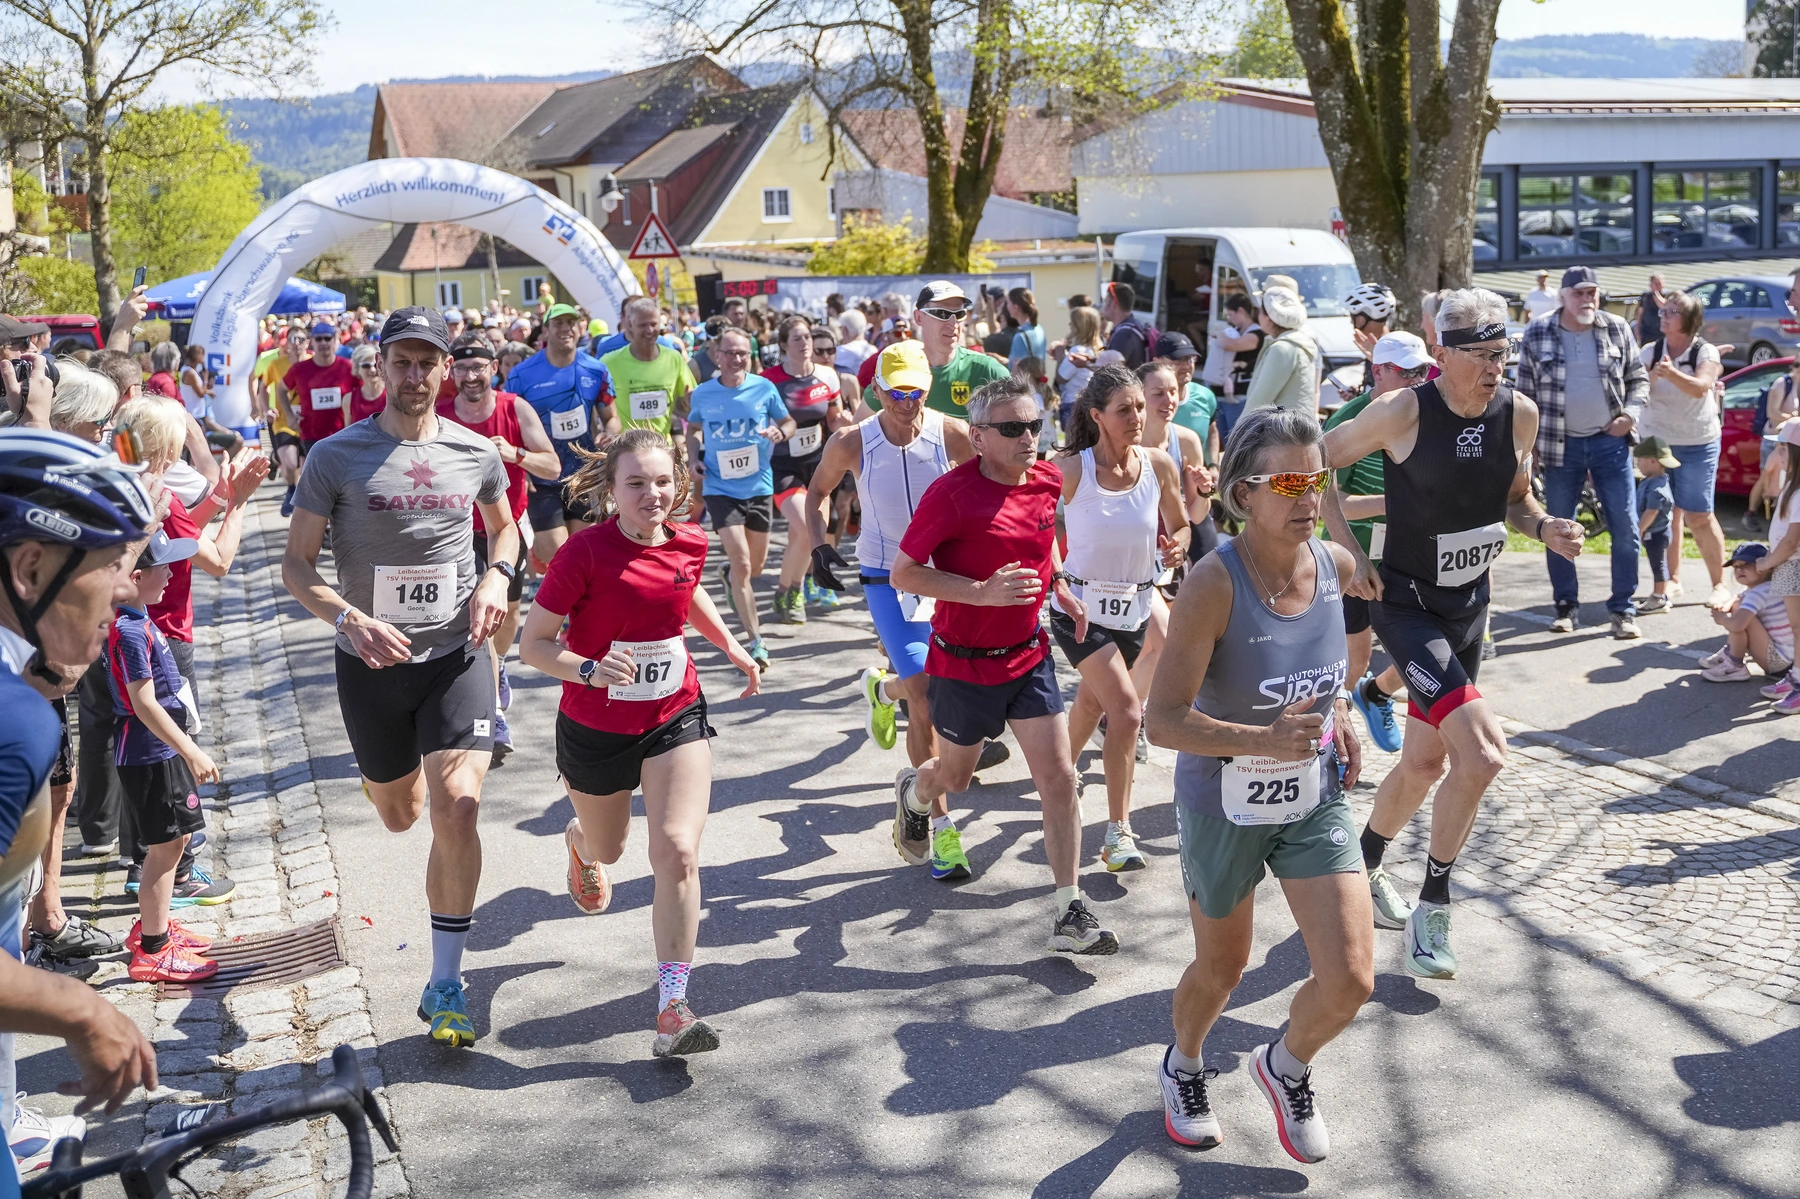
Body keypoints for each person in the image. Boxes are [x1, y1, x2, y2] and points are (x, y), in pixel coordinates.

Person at [1322, 287, 1584, 979]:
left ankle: (1364, 863)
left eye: (1504, 353)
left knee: (1426, 764)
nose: (1498, 366)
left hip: (1471, 605)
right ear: (1442, 353)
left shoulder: (1518, 415)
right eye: (1483, 354)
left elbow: (1516, 500)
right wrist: (1346, 552)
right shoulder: (1402, 410)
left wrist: (1546, 527)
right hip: (1406, 606)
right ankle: (1434, 907)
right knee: (1485, 756)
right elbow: (1310, 463)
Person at [281, 307, 516, 1049]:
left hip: (456, 656)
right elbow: (295, 565)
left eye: (429, 363)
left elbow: (505, 526)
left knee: (459, 805)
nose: (416, 376)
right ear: (379, 365)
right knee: (402, 814)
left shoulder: (477, 451)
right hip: (371, 665)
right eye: (403, 362)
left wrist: (496, 578)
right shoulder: (334, 456)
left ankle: (447, 979)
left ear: (449, 369)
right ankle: (388, 776)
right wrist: (348, 617)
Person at [1145, 406, 1369, 1163]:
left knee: (1351, 978)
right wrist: (1261, 739)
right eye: (1292, 481)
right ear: (1245, 491)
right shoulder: (1214, 583)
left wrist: (1340, 709)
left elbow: (1336, 672)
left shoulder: (1335, 568)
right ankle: (1182, 1062)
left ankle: (1285, 1065)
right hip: (1223, 798)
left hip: (1313, 792)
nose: (1310, 496)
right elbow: (1163, 721)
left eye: (1320, 478)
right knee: (1223, 968)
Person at [518, 428, 761, 1057]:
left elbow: (683, 591)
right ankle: (579, 842)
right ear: (611, 491)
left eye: (662, 481)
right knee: (611, 847)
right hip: (595, 724)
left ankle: (672, 1007)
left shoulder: (691, 542)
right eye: (636, 483)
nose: (652, 494)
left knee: (678, 851)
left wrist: (729, 643)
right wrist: (590, 669)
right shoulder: (584, 554)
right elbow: (535, 644)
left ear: (678, 481)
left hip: (674, 712)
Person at [889, 376, 1116, 952]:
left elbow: (1044, 542)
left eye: (1035, 425)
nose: (1029, 438)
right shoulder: (952, 494)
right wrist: (980, 593)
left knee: (1061, 779)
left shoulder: (1043, 479)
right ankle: (917, 793)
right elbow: (905, 573)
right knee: (956, 779)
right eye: (1013, 429)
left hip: (1028, 656)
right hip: (963, 664)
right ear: (979, 436)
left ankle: (1069, 909)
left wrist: (1059, 586)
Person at [0, 430, 165, 1184]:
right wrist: (82, 1009)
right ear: (31, 568)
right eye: (109, 566)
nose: (129, 590)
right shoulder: (14, 722)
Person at [807, 341, 972, 785]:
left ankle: (881, 690)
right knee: (922, 692)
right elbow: (818, 492)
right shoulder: (852, 441)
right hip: (886, 578)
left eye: (916, 392)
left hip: (947, 577)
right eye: (896, 392)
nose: (907, 402)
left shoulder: (953, 434)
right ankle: (929, 811)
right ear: (876, 390)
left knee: (950, 683)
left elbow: (991, 491)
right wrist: (818, 544)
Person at [1053, 365, 1188, 872]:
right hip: (1080, 611)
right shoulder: (1071, 469)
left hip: (1134, 606)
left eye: (1139, 407)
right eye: (1124, 409)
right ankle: (1117, 834)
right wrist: (1057, 577)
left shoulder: (1158, 465)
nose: (1138, 416)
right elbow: (1038, 525)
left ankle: (1057, 769)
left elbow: (1181, 526)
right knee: (1127, 713)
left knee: (1092, 701)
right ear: (1097, 417)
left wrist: (1177, 548)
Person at [106, 530, 229, 982]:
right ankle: (154, 950)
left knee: (174, 843)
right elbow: (144, 703)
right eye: (164, 567)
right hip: (148, 755)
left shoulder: (138, 616)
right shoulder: (129, 629)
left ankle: (153, 926)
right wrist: (191, 749)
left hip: (160, 751)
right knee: (163, 848)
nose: (173, 573)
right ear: (136, 576)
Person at [436, 340, 562, 764]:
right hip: (453, 533)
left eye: (479, 368)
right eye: (463, 369)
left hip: (506, 531)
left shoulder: (515, 408)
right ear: (451, 371)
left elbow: (553, 466)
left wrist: (515, 454)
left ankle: (500, 666)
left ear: (494, 368)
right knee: (478, 619)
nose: (471, 377)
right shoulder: (438, 414)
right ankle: (490, 712)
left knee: (506, 616)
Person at [1515, 266, 1647, 639]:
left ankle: (1623, 609)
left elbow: (1639, 378)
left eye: (1592, 292)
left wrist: (1629, 415)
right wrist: (1528, 448)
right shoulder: (1539, 329)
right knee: (1558, 527)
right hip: (1559, 446)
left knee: (1625, 526)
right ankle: (1566, 605)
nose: (1587, 299)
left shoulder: (1616, 327)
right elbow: (1524, 396)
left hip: (1610, 443)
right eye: (1579, 293)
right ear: (1563, 297)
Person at [1321, 332, 1432, 755]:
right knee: (1355, 659)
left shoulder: (1425, 409)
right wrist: (1393, 502)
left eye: (1422, 371)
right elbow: (1330, 502)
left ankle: (1377, 694)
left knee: (1430, 647)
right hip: (1358, 556)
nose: (1417, 381)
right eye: (1406, 373)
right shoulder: (1349, 420)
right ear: (1378, 371)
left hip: (1411, 551)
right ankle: (1329, 739)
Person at [686, 327, 793, 672]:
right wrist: (693, 459)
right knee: (744, 564)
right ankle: (756, 640)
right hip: (720, 488)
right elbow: (692, 430)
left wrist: (781, 432)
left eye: (742, 354)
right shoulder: (703, 393)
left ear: (751, 356)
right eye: (729, 353)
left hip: (759, 487)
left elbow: (788, 422)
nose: (735, 359)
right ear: (717, 356)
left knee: (755, 568)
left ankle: (730, 575)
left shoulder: (764, 388)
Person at [1638, 290, 1729, 609]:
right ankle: (1671, 581)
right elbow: (1636, 390)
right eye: (1663, 310)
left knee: (1699, 514)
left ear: (1689, 321)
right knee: (1665, 511)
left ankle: (1720, 585)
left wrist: (1671, 373)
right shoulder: (1650, 351)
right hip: (1657, 441)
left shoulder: (1705, 352)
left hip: (1697, 441)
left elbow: (1700, 388)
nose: (1663, 315)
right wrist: (1652, 374)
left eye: (1672, 312)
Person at [505, 303, 613, 569]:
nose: (566, 329)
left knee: (583, 556)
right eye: (558, 323)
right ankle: (540, 558)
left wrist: (611, 433)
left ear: (580, 328)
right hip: (541, 476)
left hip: (584, 474)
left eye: (571, 323)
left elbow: (610, 417)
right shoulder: (522, 374)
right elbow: (510, 427)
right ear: (545, 331)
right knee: (559, 555)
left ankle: (575, 611)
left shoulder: (596, 370)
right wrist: (522, 467)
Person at [864, 282, 1010, 421]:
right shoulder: (898, 369)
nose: (953, 324)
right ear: (919, 317)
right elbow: (857, 435)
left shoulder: (987, 370)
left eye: (959, 314)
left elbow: (1021, 428)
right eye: (942, 314)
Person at [1746, 422, 1800, 713]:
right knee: (1796, 628)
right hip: (1788, 567)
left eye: (1782, 448)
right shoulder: (1791, 486)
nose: (1777, 453)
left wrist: (1768, 561)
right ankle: (1796, 679)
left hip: (1794, 566)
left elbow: (1792, 541)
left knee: (1798, 627)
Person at [275, 322, 358, 511]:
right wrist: (289, 415)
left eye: (327, 338)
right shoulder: (300, 369)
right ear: (311, 342)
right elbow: (281, 390)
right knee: (320, 484)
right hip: (312, 435)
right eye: (318, 339)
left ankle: (335, 523)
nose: (323, 343)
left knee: (341, 482)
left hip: (343, 434)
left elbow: (365, 390)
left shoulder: (347, 367)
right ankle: (322, 525)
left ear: (335, 341)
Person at [1700, 543, 1794, 684]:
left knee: (1741, 616)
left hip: (1779, 664)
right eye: (1736, 566)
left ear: (1765, 567)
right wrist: (1725, 606)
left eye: (1747, 564)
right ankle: (1730, 651)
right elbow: (1738, 597)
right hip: (1793, 662)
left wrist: (1722, 618)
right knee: (1740, 607)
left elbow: (1738, 625)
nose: (1740, 570)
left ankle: (1735, 664)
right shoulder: (1770, 586)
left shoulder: (1757, 594)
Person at [255, 326, 309, 511]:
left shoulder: (313, 363)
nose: (296, 344)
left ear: (307, 343)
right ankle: (291, 490)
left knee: (304, 466)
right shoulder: (276, 365)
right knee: (290, 463)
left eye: (300, 340)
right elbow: (262, 387)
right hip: (283, 421)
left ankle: (299, 497)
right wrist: (266, 410)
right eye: (292, 340)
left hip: (308, 423)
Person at [1245, 288, 1317, 414]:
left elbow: (1260, 399)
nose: (1258, 316)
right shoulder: (1297, 342)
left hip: (1281, 429)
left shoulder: (1282, 349)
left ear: (1270, 318)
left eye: (1260, 311)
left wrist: (1240, 431)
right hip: (1294, 427)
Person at [1634, 438, 1677, 616]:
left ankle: (1659, 598)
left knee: (1657, 564)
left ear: (1653, 461)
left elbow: (1651, 511)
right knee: (1658, 563)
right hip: (1657, 532)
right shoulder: (1654, 480)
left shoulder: (1656, 488)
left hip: (1656, 533)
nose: (1638, 465)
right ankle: (1660, 595)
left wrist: (1639, 529)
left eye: (1640, 461)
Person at [1215, 293, 1265, 440]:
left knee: (1236, 439)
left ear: (1241, 311)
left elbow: (1229, 345)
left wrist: (1218, 333)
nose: (1229, 319)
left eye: (1230, 314)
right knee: (1223, 439)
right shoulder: (1235, 331)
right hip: (1223, 392)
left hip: (1240, 395)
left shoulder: (1256, 334)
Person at [1057, 307, 1105, 433]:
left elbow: (1061, 378)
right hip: (1090, 402)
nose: (1069, 325)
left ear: (1079, 327)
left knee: (1072, 446)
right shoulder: (1099, 349)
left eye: (1072, 323)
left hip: (1073, 403)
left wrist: (1059, 355)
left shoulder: (1077, 351)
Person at [1343, 284, 1395, 395]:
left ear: (1361, 320)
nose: (1351, 322)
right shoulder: (1382, 346)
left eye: (1353, 317)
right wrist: (1358, 394)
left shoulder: (1384, 351)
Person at [1102, 282, 1154, 369]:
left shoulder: (1124, 334)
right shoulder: (1135, 325)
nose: (1103, 306)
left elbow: (1111, 371)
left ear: (1114, 303)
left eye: (1106, 301)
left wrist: (1085, 364)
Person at [1007, 288, 1047, 370]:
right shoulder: (1039, 329)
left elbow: (1016, 369)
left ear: (1015, 307)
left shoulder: (1020, 337)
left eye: (1008, 303)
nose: (1006, 306)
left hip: (1024, 382)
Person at [349, 343, 387, 424]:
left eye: (376, 365)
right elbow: (347, 434)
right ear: (357, 369)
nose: (372, 370)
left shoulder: (392, 394)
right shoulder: (349, 400)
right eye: (366, 365)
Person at [1635, 273, 1666, 345]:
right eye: (1656, 284)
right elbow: (1640, 313)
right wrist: (1637, 330)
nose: (1658, 286)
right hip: (1647, 331)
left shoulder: (1667, 295)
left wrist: (1656, 294)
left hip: (1660, 332)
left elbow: (1663, 306)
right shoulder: (1645, 296)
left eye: (1659, 283)